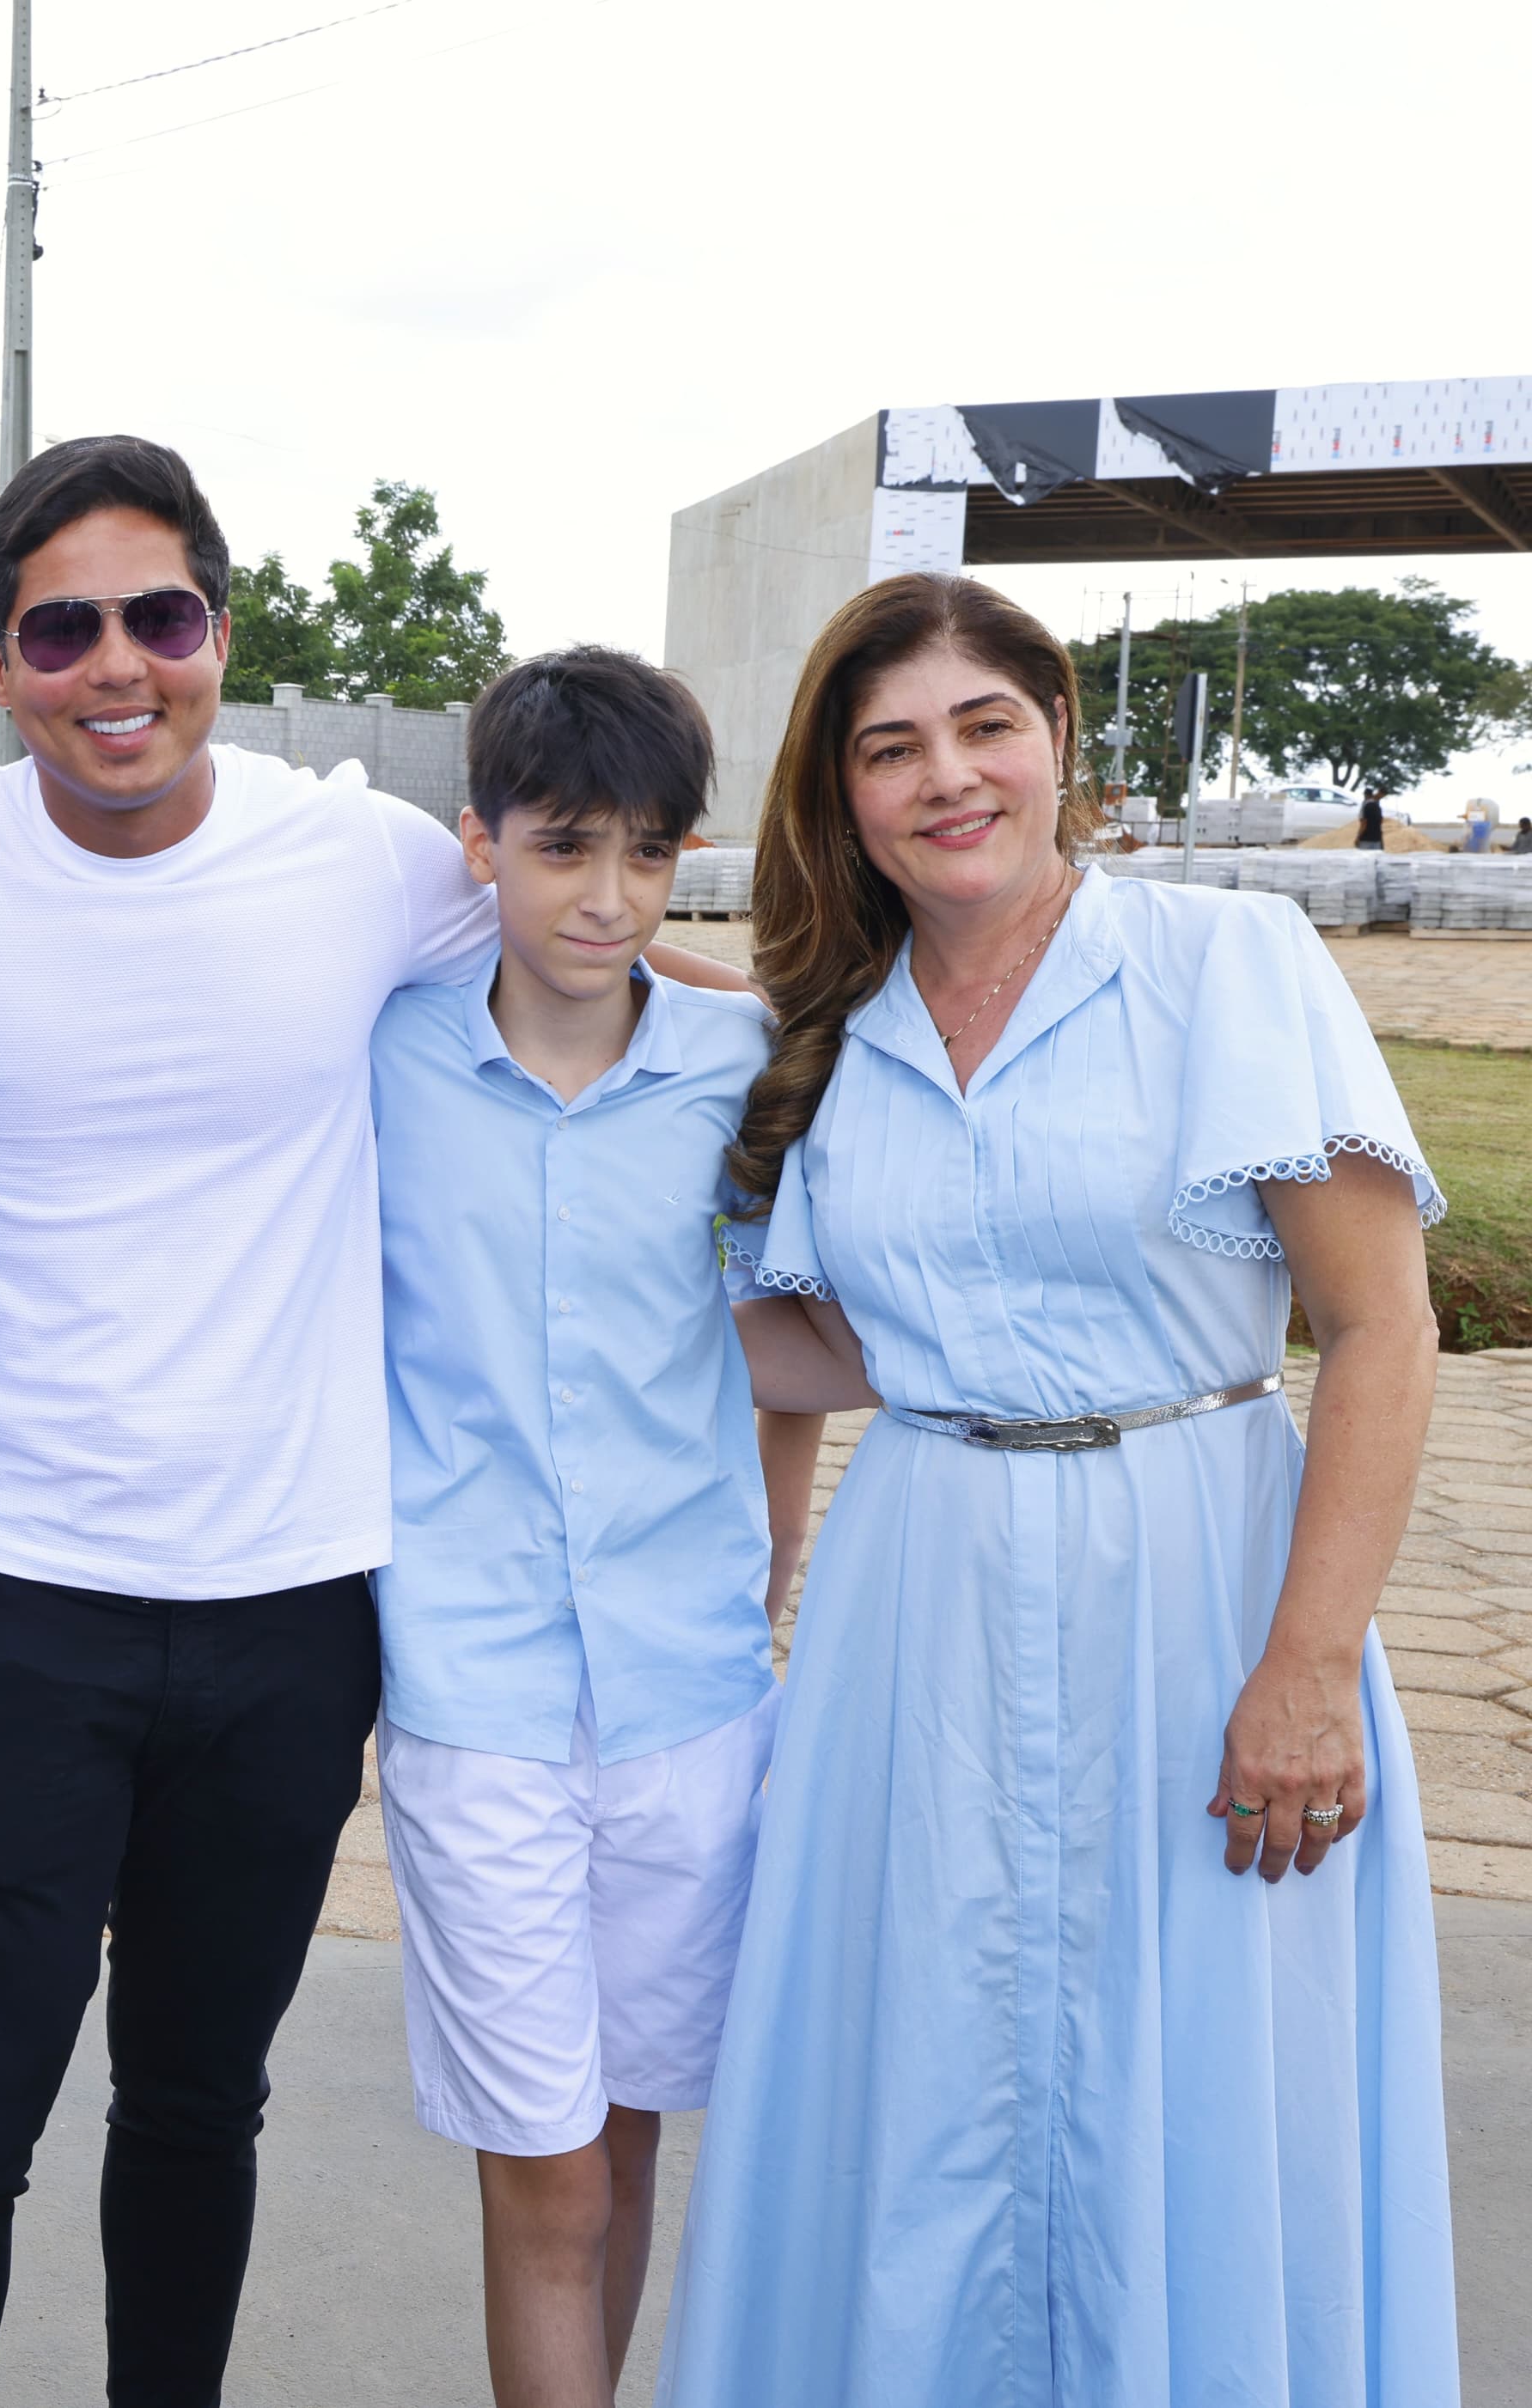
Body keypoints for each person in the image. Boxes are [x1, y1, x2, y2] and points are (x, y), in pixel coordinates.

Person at [0, 436, 749, 2406]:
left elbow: (588, 930)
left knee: (195, 2108)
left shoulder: (360, 863)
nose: (115, 666)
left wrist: (792, 1026)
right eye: (59, 626)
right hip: (8, 1604)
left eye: (155, 618)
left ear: (217, 638)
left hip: (288, 1614)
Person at [661, 572, 1457, 2405]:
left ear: (1057, 740)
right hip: (914, 1605)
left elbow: (1380, 1325)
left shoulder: (1222, 959)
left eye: (981, 725)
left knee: (1187, 2081)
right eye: (890, 747)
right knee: (922, 2077)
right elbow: (833, 1348)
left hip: (1197, 1583)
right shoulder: (830, 1029)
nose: (944, 777)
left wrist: (1307, 1663)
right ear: (839, 792)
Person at [366, 649, 796, 2408]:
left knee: (622, 2147)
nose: (606, 899)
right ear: (480, 843)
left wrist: (771, 1570)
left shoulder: (740, 1066)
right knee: (539, 2167)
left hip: (692, 1689)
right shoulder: (377, 1052)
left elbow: (782, 1338)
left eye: (644, 854)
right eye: (561, 848)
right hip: (471, 1698)